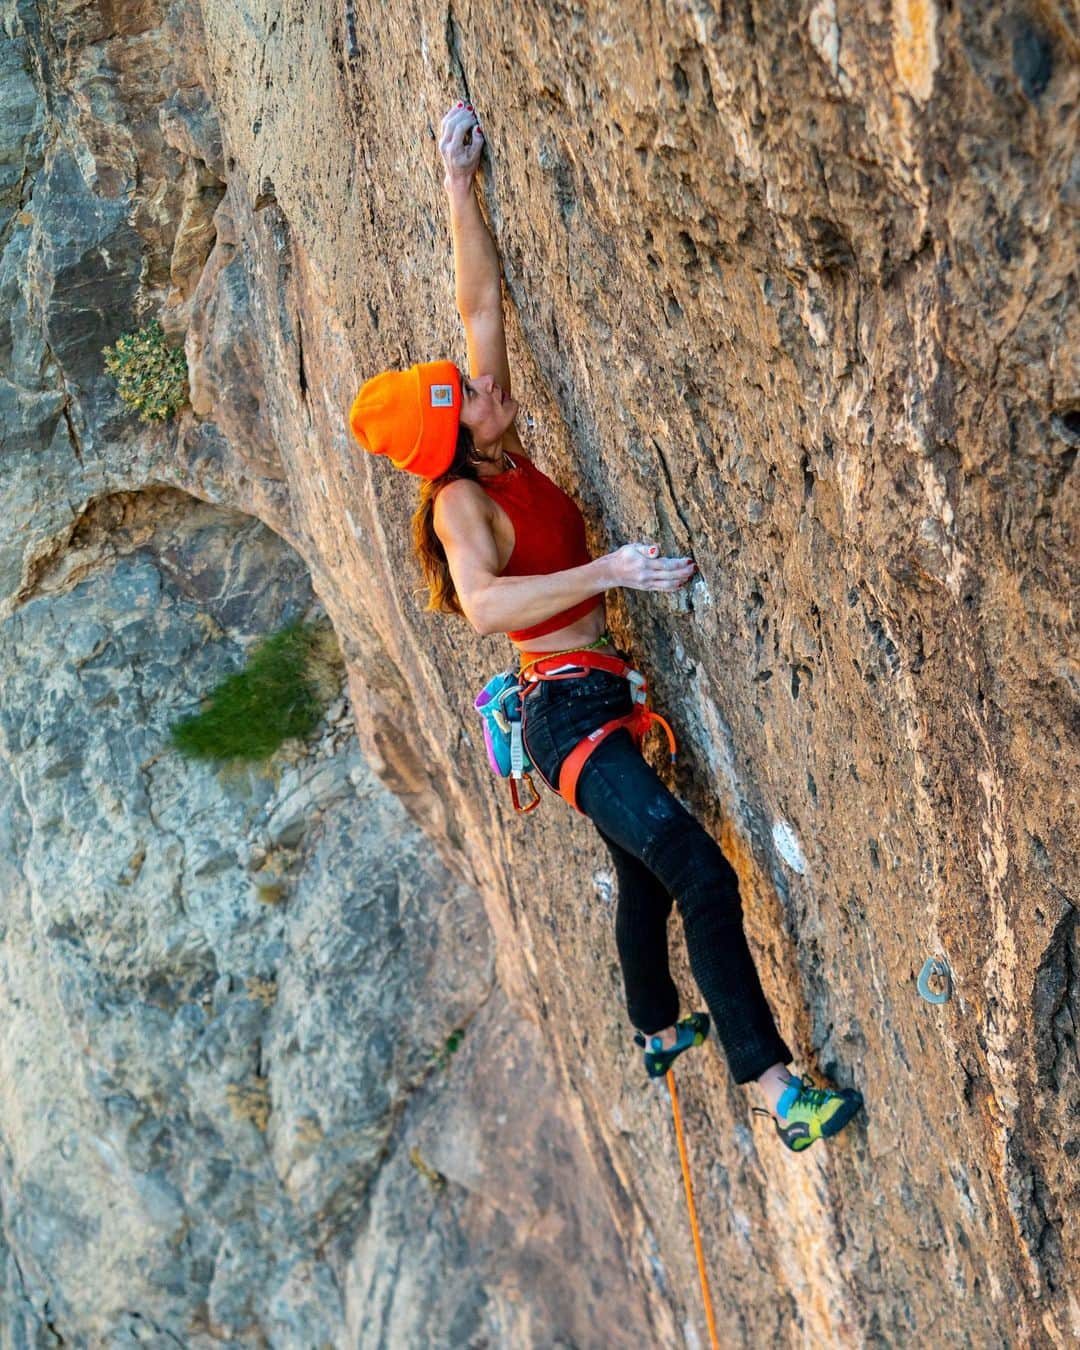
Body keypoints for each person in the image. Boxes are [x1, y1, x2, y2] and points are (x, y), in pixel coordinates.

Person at [348, 100, 863, 1152]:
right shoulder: (461, 504)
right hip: (566, 713)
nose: (486, 385)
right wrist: (611, 569)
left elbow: (480, 300)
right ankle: (775, 1089)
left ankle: (656, 1029)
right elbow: (487, 605)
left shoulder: (492, 445)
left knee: (641, 872)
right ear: (453, 436)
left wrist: (457, 182)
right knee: (698, 869)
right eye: (467, 395)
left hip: (592, 696)